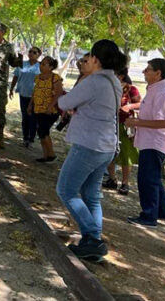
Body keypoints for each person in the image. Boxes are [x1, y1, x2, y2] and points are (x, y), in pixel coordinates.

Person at [56, 39, 126, 262]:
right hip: (106, 146)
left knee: (66, 190)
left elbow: (65, 103)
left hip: (89, 145)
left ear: (95, 59)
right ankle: (91, 243)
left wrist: (60, 91)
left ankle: (94, 240)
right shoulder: (113, 80)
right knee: (91, 196)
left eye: (88, 58)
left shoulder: (94, 81)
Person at [125, 58, 165, 227]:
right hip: (149, 140)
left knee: (147, 180)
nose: (144, 72)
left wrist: (137, 123)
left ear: (158, 73)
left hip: (155, 142)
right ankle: (163, 210)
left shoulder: (162, 92)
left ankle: (149, 216)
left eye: (148, 69)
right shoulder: (155, 89)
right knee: (153, 178)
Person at [103, 71, 141, 195]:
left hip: (124, 125)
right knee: (109, 152)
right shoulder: (108, 87)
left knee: (126, 155)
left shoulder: (131, 89)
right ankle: (112, 178)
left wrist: (129, 107)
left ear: (121, 75)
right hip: (109, 122)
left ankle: (125, 183)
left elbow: (140, 104)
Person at [28, 56, 64, 163]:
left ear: (51, 67)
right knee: (41, 132)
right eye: (41, 64)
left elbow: (59, 93)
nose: (41, 66)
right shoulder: (38, 77)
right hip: (38, 109)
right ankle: (45, 155)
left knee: (44, 131)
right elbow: (35, 92)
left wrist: (50, 106)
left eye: (44, 64)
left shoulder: (55, 78)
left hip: (50, 111)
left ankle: (52, 154)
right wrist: (30, 105)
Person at [10, 46, 42, 148]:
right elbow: (15, 76)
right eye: (30, 51)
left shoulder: (40, 66)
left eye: (34, 52)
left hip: (35, 96)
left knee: (33, 118)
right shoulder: (22, 64)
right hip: (23, 94)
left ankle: (31, 138)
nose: (31, 53)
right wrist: (11, 88)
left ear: (38, 55)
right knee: (25, 117)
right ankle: (25, 138)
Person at [56, 53, 91, 132]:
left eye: (85, 61)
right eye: (82, 61)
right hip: (75, 116)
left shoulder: (94, 82)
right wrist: (66, 110)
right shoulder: (82, 76)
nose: (82, 63)